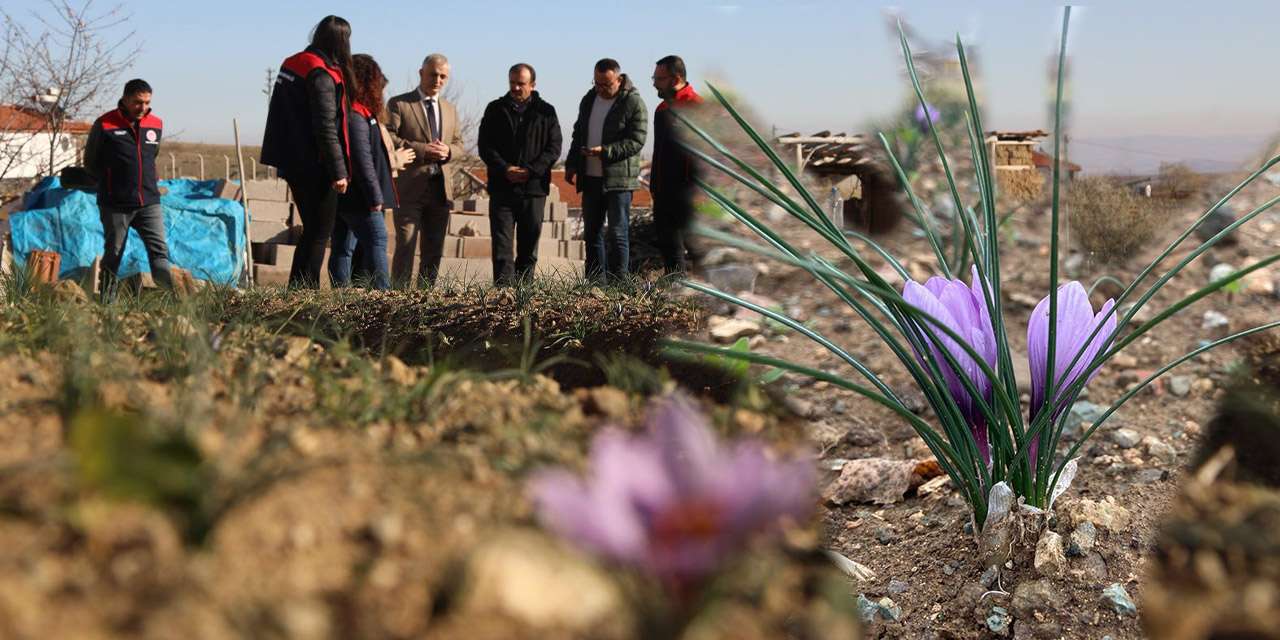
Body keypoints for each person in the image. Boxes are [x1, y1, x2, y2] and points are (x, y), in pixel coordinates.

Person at [261, 15, 353, 288]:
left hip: (291, 160)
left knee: (312, 228)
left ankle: (299, 288)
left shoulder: (292, 64)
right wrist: (339, 172)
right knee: (319, 232)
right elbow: (326, 126)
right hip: (315, 164)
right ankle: (305, 290)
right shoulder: (321, 74)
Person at [83, 78, 173, 302]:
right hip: (116, 204)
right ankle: (107, 304)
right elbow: (91, 162)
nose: (143, 108)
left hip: (149, 202)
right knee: (114, 254)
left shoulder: (156, 124)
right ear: (124, 99)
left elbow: (152, 156)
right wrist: (113, 182)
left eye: (147, 102)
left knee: (159, 251)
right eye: (137, 102)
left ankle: (170, 303)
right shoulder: (105, 124)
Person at [477, 63, 562, 285]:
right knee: (502, 249)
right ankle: (503, 297)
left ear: (532, 85)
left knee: (528, 249)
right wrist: (505, 168)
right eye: (512, 83)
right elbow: (486, 146)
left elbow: (554, 148)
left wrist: (530, 171)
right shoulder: (495, 109)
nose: (515, 88)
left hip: (533, 190)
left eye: (521, 84)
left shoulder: (546, 112)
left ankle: (523, 297)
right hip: (502, 188)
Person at [386, 53, 466, 287]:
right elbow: (388, 137)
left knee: (434, 249)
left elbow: (460, 145)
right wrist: (422, 150)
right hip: (409, 188)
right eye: (433, 74)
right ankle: (398, 299)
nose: (438, 80)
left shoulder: (450, 109)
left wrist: (448, 151)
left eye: (443, 76)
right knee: (406, 246)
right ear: (421, 73)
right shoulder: (400, 104)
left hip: (440, 191)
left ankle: (425, 299)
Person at [565, 58, 647, 282]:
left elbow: (637, 140)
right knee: (592, 233)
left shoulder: (633, 103)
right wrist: (572, 163)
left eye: (606, 84)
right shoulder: (589, 99)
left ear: (619, 80)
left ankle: (619, 282)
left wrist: (606, 151)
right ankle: (594, 282)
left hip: (618, 181)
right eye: (597, 83)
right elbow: (578, 133)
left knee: (618, 233)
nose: (600, 89)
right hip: (590, 177)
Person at [328, 54, 402, 290]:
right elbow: (362, 160)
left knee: (343, 246)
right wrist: (375, 197)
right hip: (361, 198)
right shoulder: (356, 116)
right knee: (378, 241)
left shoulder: (353, 112)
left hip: (350, 196)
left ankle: (342, 294)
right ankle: (383, 293)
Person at [650, 54, 705, 275]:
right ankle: (676, 295)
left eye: (659, 78)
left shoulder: (697, 108)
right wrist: (654, 184)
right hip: (664, 192)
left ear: (675, 79)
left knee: (697, 248)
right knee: (668, 246)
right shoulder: (661, 109)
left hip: (689, 193)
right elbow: (658, 153)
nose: (654, 83)